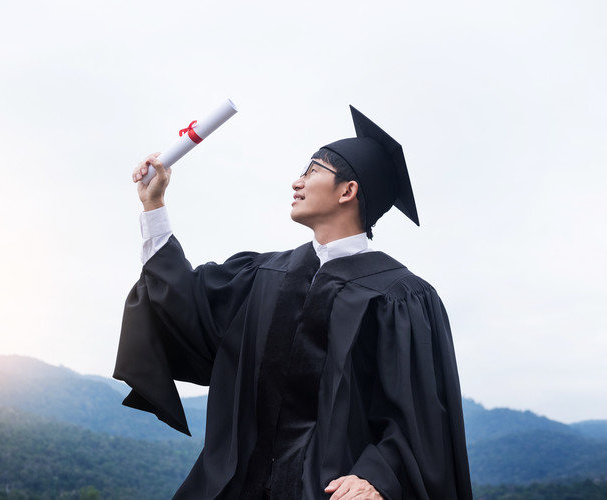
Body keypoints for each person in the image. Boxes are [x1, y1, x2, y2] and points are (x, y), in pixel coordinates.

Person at [114, 106, 473, 500]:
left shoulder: (400, 297)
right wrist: (154, 205)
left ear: (348, 191)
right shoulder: (265, 276)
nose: (296, 182)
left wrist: (378, 478)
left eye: (312, 171)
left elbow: (419, 417)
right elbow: (184, 303)